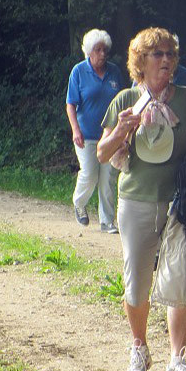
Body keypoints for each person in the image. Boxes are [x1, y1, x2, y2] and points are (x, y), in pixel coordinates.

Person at [96, 27, 186, 371]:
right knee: (137, 283)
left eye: (170, 54)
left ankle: (177, 361)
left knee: (180, 280)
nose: (166, 60)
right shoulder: (125, 100)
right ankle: (139, 347)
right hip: (136, 200)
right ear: (140, 61)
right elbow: (102, 152)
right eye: (158, 54)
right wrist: (120, 131)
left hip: (182, 203)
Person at [66, 29, 124, 233]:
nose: (103, 54)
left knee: (108, 178)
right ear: (89, 51)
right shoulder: (79, 71)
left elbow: (122, 102)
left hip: (110, 135)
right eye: (98, 50)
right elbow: (71, 104)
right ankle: (79, 203)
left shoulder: (115, 72)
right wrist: (75, 130)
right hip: (86, 134)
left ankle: (107, 221)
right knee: (90, 174)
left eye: (105, 50)